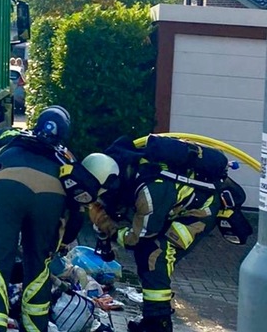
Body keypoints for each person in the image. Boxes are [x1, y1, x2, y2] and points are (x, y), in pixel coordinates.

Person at [86, 137, 225, 332]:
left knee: (156, 254)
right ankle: (151, 319)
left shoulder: (149, 191)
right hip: (174, 208)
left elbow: (136, 238)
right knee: (149, 256)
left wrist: (108, 227)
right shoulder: (125, 169)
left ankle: (160, 324)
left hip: (198, 213)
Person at [0, 106, 76, 332]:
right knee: (39, 267)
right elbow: (76, 203)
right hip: (52, 199)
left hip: (6, 191)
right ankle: (35, 327)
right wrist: (62, 238)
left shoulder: (10, 135)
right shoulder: (66, 156)